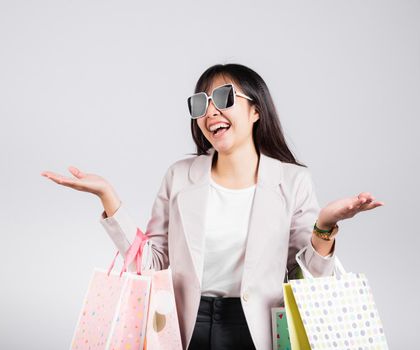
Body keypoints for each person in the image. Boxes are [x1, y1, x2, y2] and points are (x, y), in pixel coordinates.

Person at [41, 63, 384, 350]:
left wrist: (324, 225)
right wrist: (109, 199)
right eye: (200, 103)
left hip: (258, 329)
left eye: (224, 98)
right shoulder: (179, 177)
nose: (211, 111)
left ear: (255, 110)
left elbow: (305, 276)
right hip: (186, 325)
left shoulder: (292, 182)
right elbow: (153, 264)